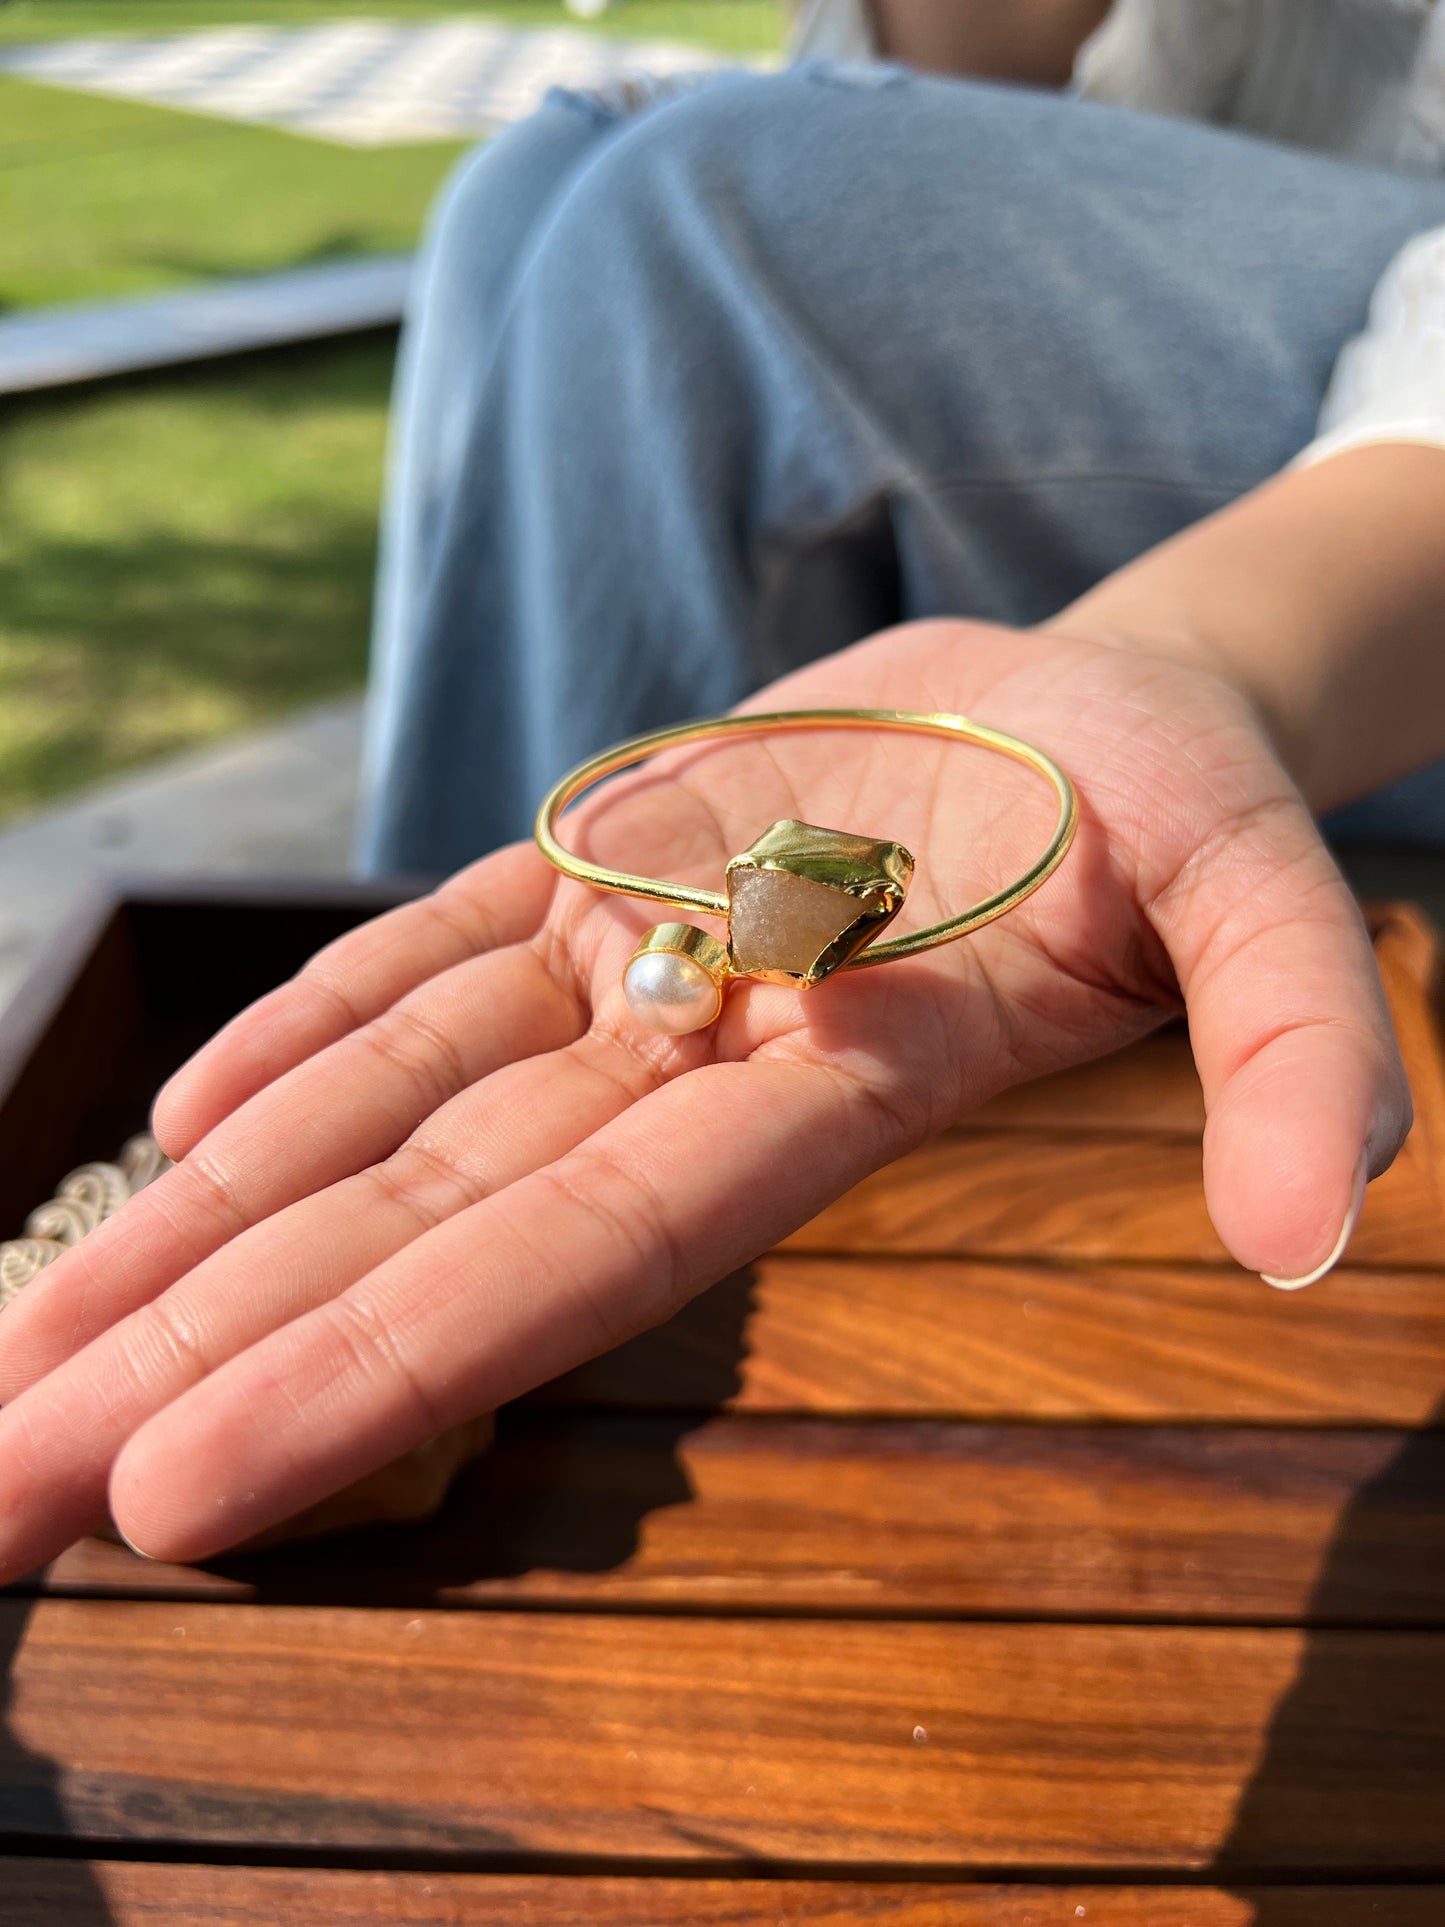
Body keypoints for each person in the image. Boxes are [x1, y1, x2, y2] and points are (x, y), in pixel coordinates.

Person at [0, 0, 1442, 1574]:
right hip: (1225, 176)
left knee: (691, 213)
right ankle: (378, 1178)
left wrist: (1191, 659)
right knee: (537, 176)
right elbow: (949, 86)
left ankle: (418, 1242)